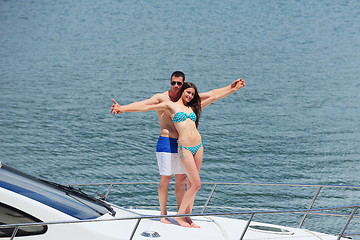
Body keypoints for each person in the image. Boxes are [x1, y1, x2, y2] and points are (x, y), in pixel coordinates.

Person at [111, 71, 245, 224]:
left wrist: (232, 87)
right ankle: (164, 214)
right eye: (173, 83)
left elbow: (212, 95)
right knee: (166, 178)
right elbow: (144, 105)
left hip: (191, 145)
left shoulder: (190, 100)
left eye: (179, 84)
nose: (175, 86)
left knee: (182, 179)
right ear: (170, 82)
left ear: (183, 85)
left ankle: (185, 215)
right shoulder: (164, 100)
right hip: (167, 141)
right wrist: (123, 108)